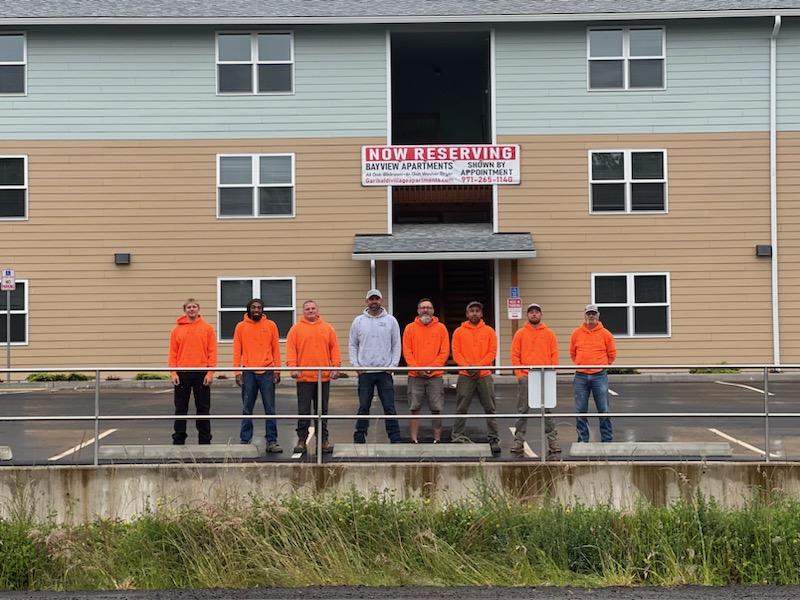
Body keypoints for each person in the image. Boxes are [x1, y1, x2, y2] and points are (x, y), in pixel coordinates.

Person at [286, 300, 341, 454]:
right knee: (303, 411)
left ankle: (323, 441)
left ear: (317, 310)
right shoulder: (296, 329)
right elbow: (291, 350)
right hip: (304, 378)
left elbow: (334, 349)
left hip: (322, 378)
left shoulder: (327, 328)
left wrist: (335, 367)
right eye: (307, 309)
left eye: (313, 308)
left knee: (322, 411)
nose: (310, 311)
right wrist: (292, 367)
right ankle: (302, 440)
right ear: (303, 311)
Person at [349, 289, 402, 443]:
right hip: (365, 372)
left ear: (381, 300)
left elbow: (396, 344)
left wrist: (392, 366)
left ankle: (395, 437)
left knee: (389, 407)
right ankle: (359, 436)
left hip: (384, 371)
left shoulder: (391, 321)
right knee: (364, 406)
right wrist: (356, 366)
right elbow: (353, 345)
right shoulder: (358, 321)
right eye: (371, 299)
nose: (374, 302)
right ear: (367, 301)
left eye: (376, 299)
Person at [510, 302, 560, 458]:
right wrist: (519, 374)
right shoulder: (520, 333)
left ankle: (553, 442)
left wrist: (552, 372)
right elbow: (515, 355)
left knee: (548, 411)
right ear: (527, 315)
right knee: (522, 410)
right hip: (526, 376)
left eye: (536, 312)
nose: (534, 314)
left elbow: (554, 355)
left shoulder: (549, 333)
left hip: (545, 375)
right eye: (531, 312)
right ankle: (518, 442)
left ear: (541, 314)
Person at [233, 298, 282, 453]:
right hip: (248, 372)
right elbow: (236, 350)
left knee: (270, 408)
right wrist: (237, 372)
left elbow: (276, 349)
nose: (256, 310)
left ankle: (272, 441)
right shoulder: (240, 327)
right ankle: (245, 440)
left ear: (262, 310)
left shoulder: (271, 325)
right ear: (249, 309)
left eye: (259, 307)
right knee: (247, 408)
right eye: (253, 307)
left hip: (267, 371)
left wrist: (277, 370)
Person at [451, 301, 500, 454]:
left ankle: (493, 437)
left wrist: (479, 366)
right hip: (465, 375)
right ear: (467, 314)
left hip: (484, 374)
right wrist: (468, 366)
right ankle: (457, 435)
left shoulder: (489, 331)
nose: (474, 313)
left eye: (477, 311)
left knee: (490, 407)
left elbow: (492, 352)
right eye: (471, 311)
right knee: (462, 406)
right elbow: (456, 352)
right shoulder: (459, 331)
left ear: (481, 313)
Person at [168, 298, 217, 445]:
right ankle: (179, 438)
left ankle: (205, 439)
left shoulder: (207, 329)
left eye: (194, 307)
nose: (191, 309)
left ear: (198, 309)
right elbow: (173, 353)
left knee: (203, 407)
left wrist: (210, 373)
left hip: (201, 373)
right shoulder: (177, 330)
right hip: (182, 372)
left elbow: (212, 352)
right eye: (189, 307)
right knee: (180, 408)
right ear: (184, 310)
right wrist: (173, 373)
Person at [402, 298, 450, 443]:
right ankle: (414, 439)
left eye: (428, 307)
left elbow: (444, 351)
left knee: (436, 408)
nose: (425, 310)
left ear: (433, 310)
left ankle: (437, 439)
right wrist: (417, 369)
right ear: (418, 310)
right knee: (414, 408)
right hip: (415, 376)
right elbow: (407, 351)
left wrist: (432, 368)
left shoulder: (441, 328)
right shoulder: (410, 328)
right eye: (422, 307)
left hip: (435, 376)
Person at [570, 303, 617, 443]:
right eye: (589, 313)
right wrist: (581, 364)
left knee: (603, 409)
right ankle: (583, 440)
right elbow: (573, 353)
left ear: (598, 316)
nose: (591, 316)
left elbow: (612, 354)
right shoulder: (576, 333)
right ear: (584, 315)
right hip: (580, 376)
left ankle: (607, 440)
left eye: (593, 314)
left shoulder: (606, 334)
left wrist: (601, 365)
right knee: (580, 410)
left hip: (599, 376)